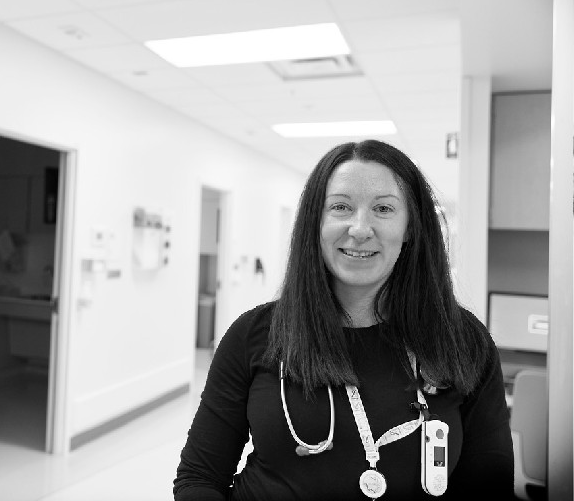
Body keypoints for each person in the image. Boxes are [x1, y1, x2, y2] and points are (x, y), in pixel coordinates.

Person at [174, 140, 514, 500]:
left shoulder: (462, 340)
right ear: (315, 223)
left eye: (383, 208)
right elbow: (199, 478)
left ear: (411, 228)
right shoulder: (255, 335)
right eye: (340, 207)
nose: (360, 228)